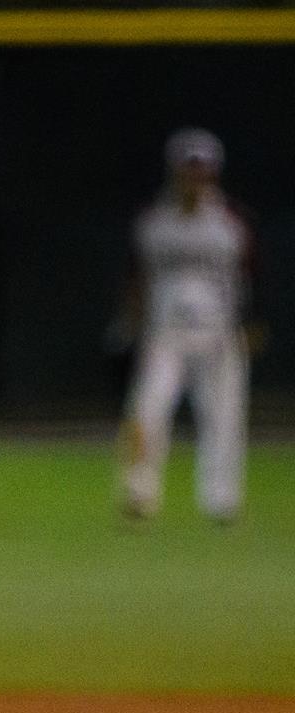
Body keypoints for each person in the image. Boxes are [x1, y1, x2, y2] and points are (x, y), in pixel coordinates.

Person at [118, 127, 260, 525]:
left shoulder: (232, 222)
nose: (195, 177)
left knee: (224, 419)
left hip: (219, 333)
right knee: (146, 413)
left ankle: (222, 502)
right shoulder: (153, 222)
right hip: (164, 335)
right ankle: (138, 493)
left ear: (214, 172)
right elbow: (136, 276)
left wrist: (251, 324)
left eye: (202, 170)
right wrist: (130, 323)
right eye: (188, 169)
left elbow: (252, 276)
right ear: (174, 170)